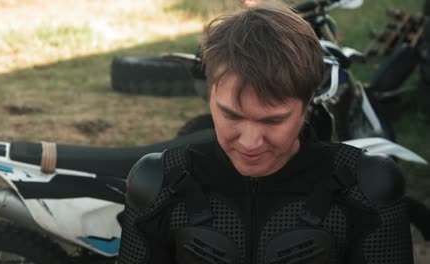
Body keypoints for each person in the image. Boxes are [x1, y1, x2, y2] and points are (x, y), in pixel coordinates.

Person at [116, 1, 414, 263]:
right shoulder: (159, 184)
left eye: (273, 121)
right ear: (209, 93)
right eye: (231, 115)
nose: (250, 142)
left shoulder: (365, 188)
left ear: (309, 101)